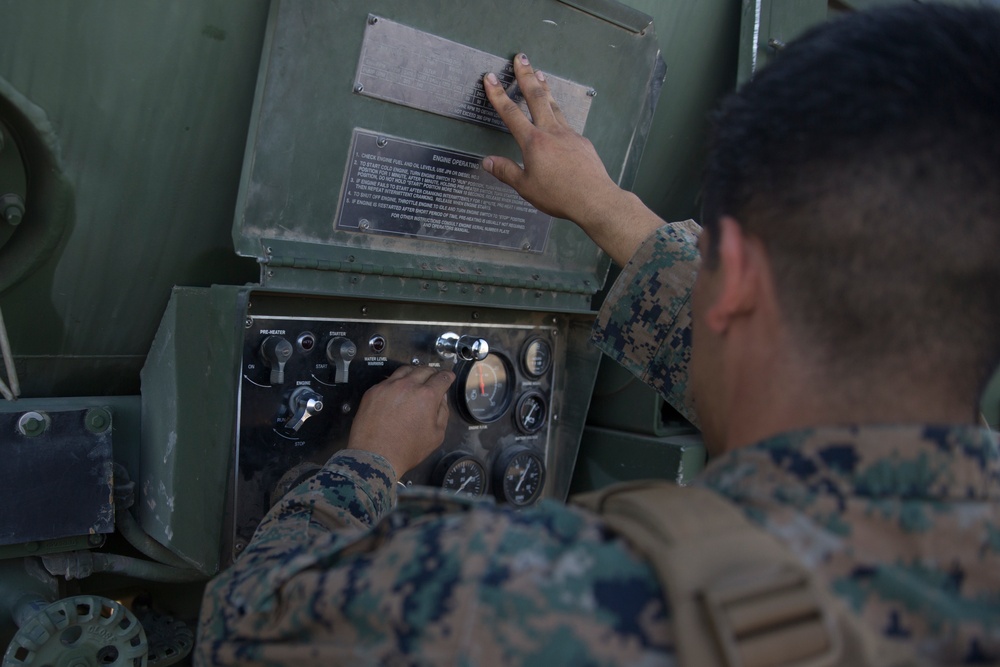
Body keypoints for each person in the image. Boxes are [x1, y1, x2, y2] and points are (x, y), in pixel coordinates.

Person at [195, 3, 1000, 665]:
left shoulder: (551, 603)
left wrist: (364, 469)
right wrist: (603, 207)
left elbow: (244, 626)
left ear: (743, 281)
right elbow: (788, 344)